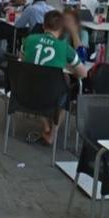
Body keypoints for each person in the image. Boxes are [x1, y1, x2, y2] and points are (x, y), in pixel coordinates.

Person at [21, 9, 89, 145]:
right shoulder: (65, 48)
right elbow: (83, 74)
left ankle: (46, 125)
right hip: (52, 98)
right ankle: (52, 134)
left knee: (37, 84)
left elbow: (22, 60)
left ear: (43, 25)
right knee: (65, 93)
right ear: (62, 28)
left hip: (24, 93)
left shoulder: (29, 40)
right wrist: (68, 68)